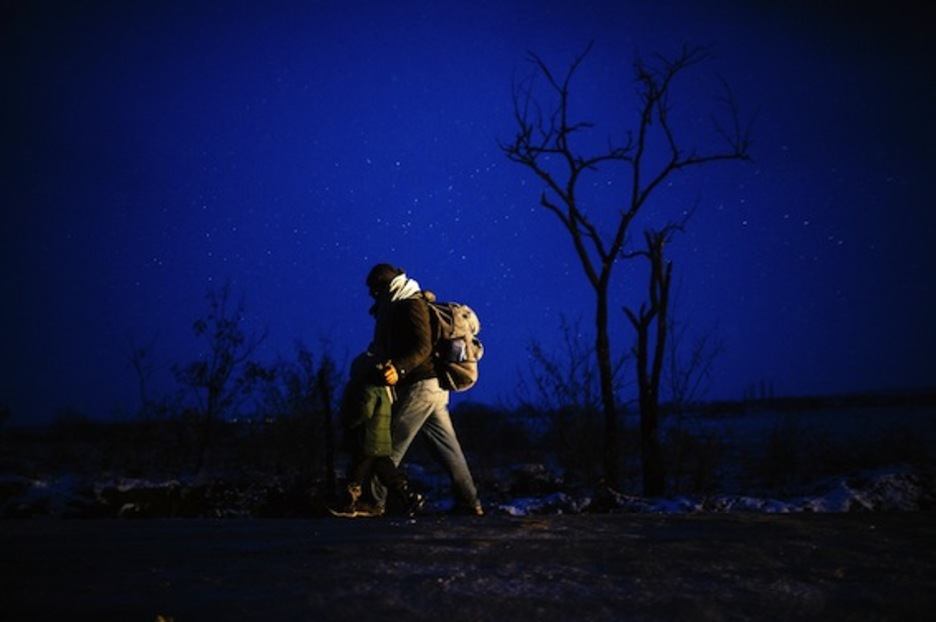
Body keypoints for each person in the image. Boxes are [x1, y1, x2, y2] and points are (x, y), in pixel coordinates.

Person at [365, 263, 484, 516]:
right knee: (449, 451)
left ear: (385, 286)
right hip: (433, 389)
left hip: (420, 387)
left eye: (375, 290)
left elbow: (422, 348)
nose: (372, 296)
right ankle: (470, 503)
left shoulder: (411, 305)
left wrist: (398, 367)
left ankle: (373, 503)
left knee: (385, 445)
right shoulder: (399, 305)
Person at [329, 351, 425, 518]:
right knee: (387, 472)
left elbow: (364, 411)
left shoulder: (367, 388)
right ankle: (409, 496)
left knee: (356, 471)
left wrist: (350, 422)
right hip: (380, 440)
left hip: (366, 439)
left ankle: (348, 503)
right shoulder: (384, 389)